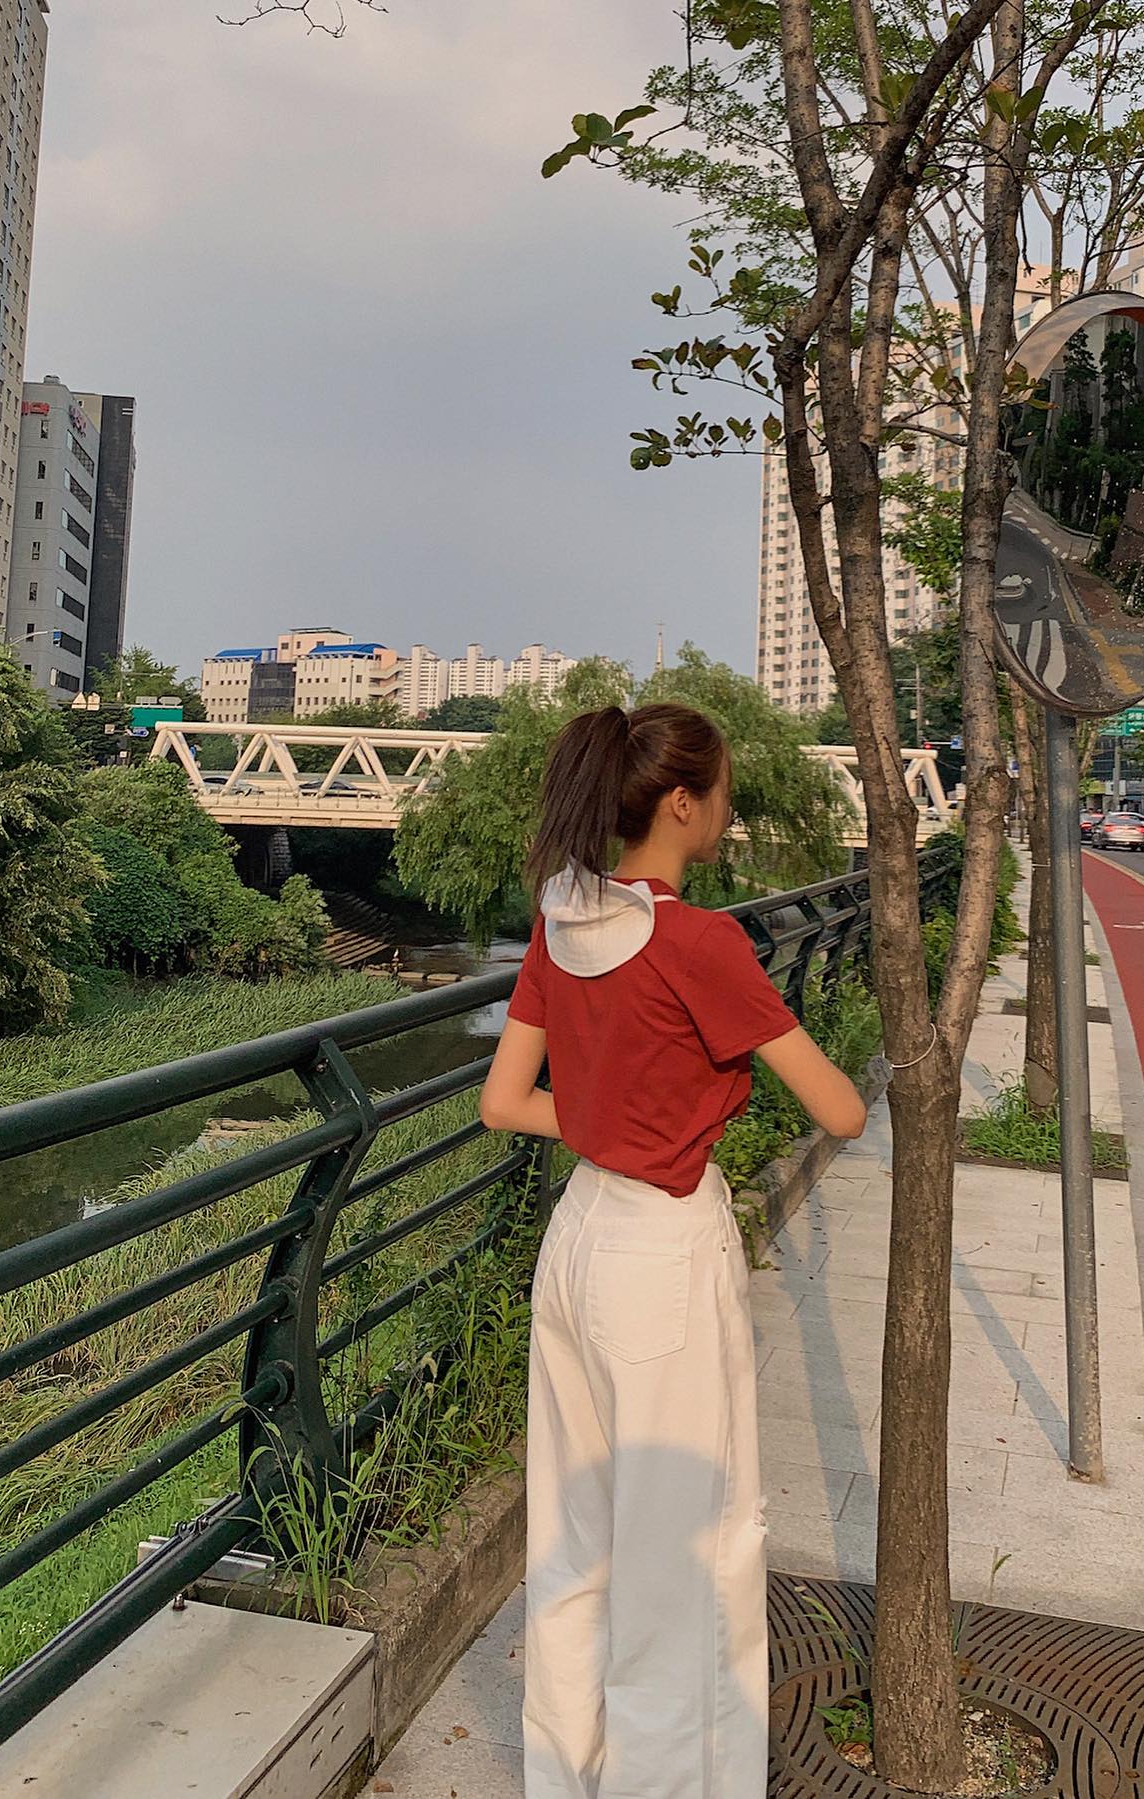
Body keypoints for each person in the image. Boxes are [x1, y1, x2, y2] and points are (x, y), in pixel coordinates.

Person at [481, 702, 867, 1799]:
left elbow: (504, 1101)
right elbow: (840, 1110)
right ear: (683, 804)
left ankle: (566, 1779)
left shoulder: (564, 922)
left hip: (579, 1239)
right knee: (686, 1555)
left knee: (574, 1543)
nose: (732, 805)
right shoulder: (699, 941)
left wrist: (608, 1123)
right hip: (662, 1249)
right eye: (725, 787)